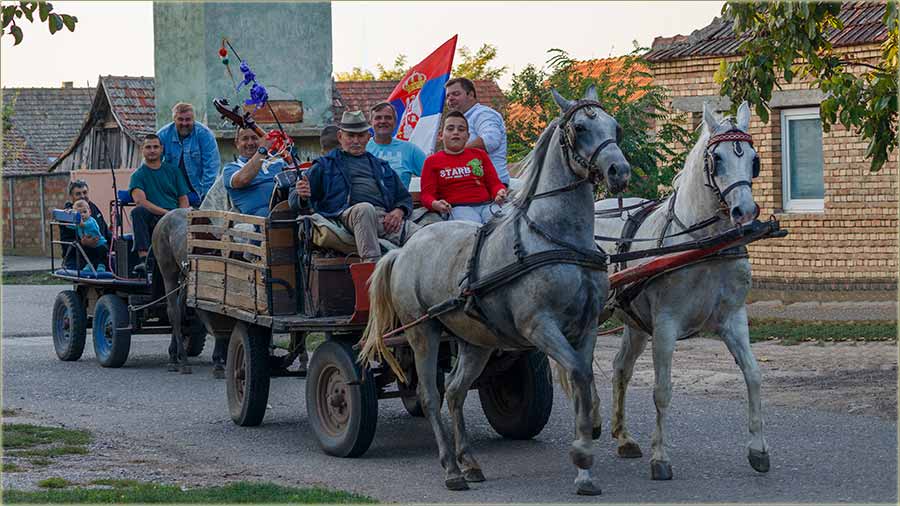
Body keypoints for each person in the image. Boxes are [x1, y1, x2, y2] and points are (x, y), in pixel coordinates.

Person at [289, 110, 419, 261]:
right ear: (340, 137)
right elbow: (294, 198)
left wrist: (399, 211)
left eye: (360, 135)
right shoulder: (325, 165)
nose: (356, 141)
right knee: (365, 209)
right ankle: (371, 265)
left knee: (427, 236)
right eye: (350, 136)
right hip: (347, 214)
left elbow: (404, 197)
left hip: (384, 220)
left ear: (368, 137)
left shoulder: (381, 166)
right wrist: (301, 194)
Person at [420, 111, 506, 224]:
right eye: (450, 129)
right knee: (473, 228)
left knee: (502, 224)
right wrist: (435, 204)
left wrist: (499, 192)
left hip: (487, 205)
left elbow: (494, 183)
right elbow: (426, 195)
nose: (456, 132)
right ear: (441, 135)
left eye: (461, 129)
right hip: (456, 208)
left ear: (468, 136)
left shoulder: (480, 155)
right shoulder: (431, 161)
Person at [128, 134, 190, 274]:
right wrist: (167, 214)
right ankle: (144, 259)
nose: (152, 150)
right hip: (154, 216)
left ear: (161, 149)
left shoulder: (173, 171)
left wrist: (182, 215)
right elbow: (141, 202)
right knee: (138, 212)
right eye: (148, 147)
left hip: (176, 217)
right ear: (142, 150)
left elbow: (183, 198)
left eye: (155, 147)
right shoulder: (137, 176)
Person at [445, 77, 509, 185]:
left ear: (471, 95)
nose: (450, 99)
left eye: (456, 94)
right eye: (448, 96)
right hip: (470, 184)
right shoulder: (461, 119)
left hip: (490, 186)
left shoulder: (483, 114)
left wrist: (453, 153)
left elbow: (491, 141)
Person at [157, 102, 221, 205]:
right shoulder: (163, 135)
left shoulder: (205, 135)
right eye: (180, 119)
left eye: (188, 120)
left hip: (197, 192)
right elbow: (151, 163)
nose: (184, 123)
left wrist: (205, 198)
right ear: (174, 120)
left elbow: (211, 168)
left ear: (193, 120)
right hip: (171, 192)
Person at [222, 127, 285, 217]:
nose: (250, 143)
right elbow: (243, 180)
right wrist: (263, 150)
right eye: (245, 139)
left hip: (286, 212)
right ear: (237, 143)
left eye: (254, 138)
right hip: (256, 220)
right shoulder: (231, 168)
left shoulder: (279, 162)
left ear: (261, 140)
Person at [365, 102, 426, 188]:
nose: (383, 121)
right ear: (371, 123)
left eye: (388, 118)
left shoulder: (410, 150)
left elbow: (433, 174)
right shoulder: (363, 148)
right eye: (378, 118)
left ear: (395, 122)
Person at [60, 180, 111, 269]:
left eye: (84, 192)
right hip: (77, 255)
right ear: (71, 196)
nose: (82, 196)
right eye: (78, 194)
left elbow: (105, 231)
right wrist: (83, 242)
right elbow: (66, 240)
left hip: (100, 251)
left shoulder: (93, 208)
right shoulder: (67, 213)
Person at [71, 199, 109, 272]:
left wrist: (79, 221)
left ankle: (102, 265)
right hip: (88, 245)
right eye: (79, 214)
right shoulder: (78, 223)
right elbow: (70, 226)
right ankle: (89, 264)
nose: (82, 215)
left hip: (99, 243)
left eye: (85, 212)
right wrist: (68, 216)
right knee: (88, 253)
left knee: (101, 253)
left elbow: (86, 225)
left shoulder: (91, 221)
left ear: (90, 212)